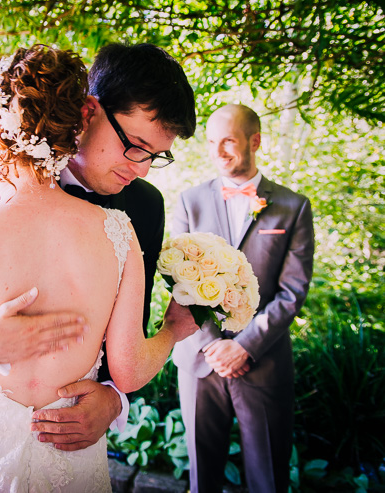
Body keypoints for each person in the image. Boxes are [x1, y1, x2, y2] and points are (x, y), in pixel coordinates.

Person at [0, 45, 198, 491]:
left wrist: (113, 401)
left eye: (156, 156)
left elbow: (126, 344)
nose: (141, 170)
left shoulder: (143, 208)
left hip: (73, 450)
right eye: (136, 147)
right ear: (88, 111)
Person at [170, 104, 315, 493]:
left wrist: (244, 347)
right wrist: (213, 345)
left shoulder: (293, 207)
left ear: (255, 142)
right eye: (212, 142)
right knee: (203, 475)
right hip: (199, 361)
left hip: (263, 361)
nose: (218, 152)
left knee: (268, 476)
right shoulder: (189, 202)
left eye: (229, 142)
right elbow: (177, 282)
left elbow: (292, 291)